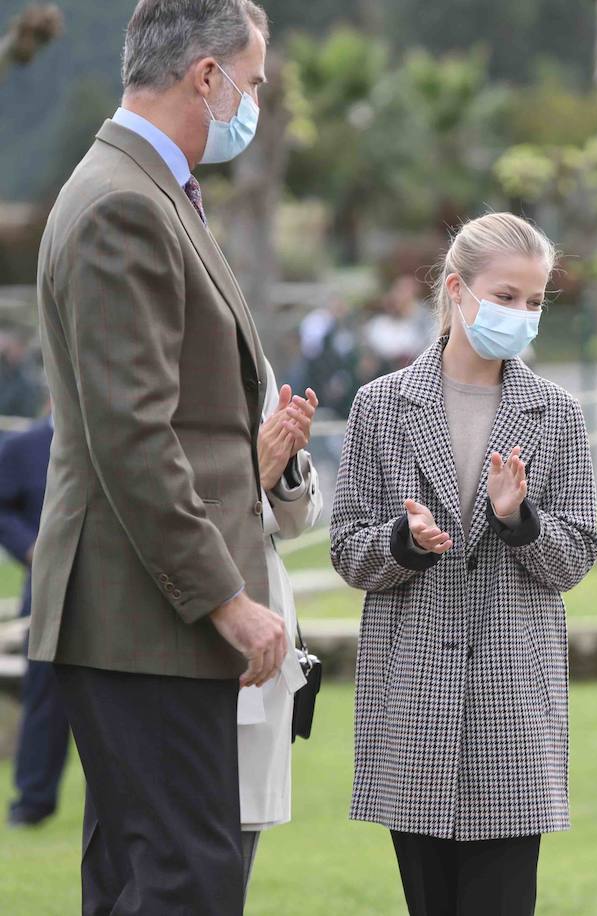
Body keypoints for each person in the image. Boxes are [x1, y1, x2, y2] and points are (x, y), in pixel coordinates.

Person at [28, 2, 288, 911]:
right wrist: (226, 600)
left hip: (143, 616)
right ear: (205, 77)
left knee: (142, 876)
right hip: (145, 618)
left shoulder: (146, 189)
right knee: (188, 879)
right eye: (250, 84)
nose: (254, 105)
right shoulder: (121, 206)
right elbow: (135, 436)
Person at [330, 213, 597, 916]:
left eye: (535, 301)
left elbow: (575, 557)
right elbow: (348, 548)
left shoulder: (558, 414)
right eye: (506, 296)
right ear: (456, 289)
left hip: (513, 701)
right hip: (412, 701)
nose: (522, 314)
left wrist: (521, 521)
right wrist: (404, 541)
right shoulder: (379, 408)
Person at [239, 360, 322, 894]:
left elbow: (296, 519)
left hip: (264, 637)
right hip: (187, 639)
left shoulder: (251, 359)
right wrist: (256, 473)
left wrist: (285, 459)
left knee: (232, 860)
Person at [0, 409, 70, 828]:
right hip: (46, 593)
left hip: (118, 594)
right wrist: (30, 550)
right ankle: (33, 800)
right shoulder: (23, 448)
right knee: (45, 693)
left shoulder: (113, 441)